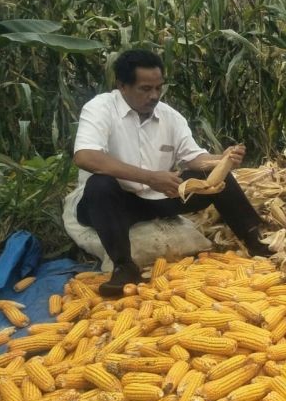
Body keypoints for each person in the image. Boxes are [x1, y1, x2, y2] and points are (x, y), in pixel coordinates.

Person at [73, 49, 269, 297]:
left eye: (158, 88)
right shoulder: (100, 108)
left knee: (221, 180)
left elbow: (194, 158)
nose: (154, 95)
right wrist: (149, 177)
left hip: (158, 197)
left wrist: (223, 159)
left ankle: (256, 242)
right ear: (122, 86)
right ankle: (124, 266)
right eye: (145, 89)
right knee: (100, 185)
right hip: (115, 203)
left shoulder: (170, 117)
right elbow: (85, 157)